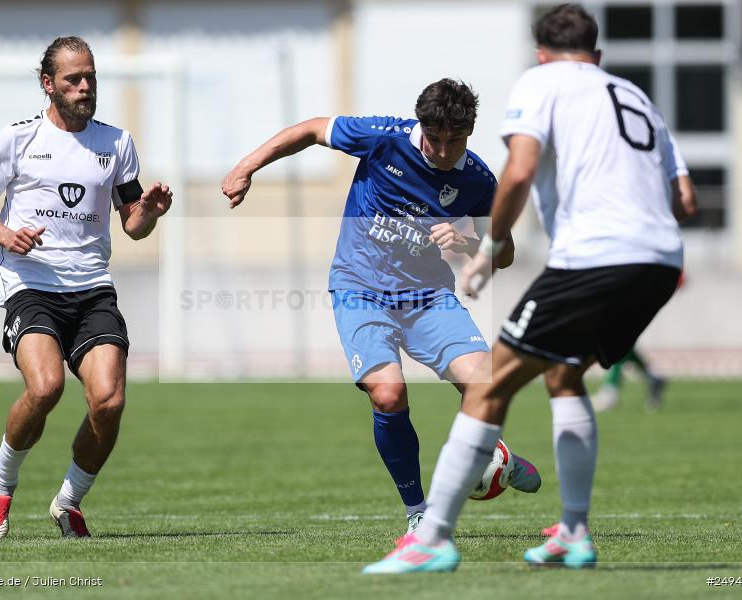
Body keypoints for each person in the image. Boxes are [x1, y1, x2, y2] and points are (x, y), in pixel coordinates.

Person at [363, 4, 692, 573]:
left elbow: (518, 170)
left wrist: (488, 249)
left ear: (542, 53)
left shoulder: (542, 81)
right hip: (660, 260)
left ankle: (431, 539)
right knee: (565, 377)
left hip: (592, 257)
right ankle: (573, 533)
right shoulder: (636, 97)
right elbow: (684, 199)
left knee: (489, 387)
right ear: (599, 55)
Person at [222, 79, 541, 536]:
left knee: (485, 382)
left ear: (470, 131)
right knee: (388, 394)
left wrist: (470, 241)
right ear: (421, 127)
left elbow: (504, 251)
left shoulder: (478, 180)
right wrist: (247, 166)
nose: (445, 151)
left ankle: (497, 457)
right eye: (436, 140)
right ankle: (418, 512)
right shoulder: (384, 137)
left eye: (457, 140)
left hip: (428, 296)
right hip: (360, 288)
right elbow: (313, 129)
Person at [0, 36, 173, 539]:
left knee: (109, 400)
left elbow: (132, 224)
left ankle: (68, 501)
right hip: (30, 283)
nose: (84, 87)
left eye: (91, 78)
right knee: (47, 385)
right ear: (48, 84)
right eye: (74, 79)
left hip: (92, 287)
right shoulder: (16, 139)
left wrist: (150, 211)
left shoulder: (116, 142)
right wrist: (7, 236)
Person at [594, 173, 696, 413]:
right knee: (615, 335)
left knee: (611, 332)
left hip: (637, 271)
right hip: (630, 270)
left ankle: (612, 389)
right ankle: (651, 377)